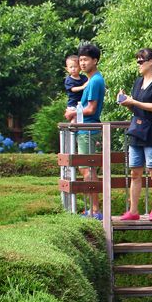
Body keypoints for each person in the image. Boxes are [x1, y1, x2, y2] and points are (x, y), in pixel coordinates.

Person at [117, 48, 152, 222]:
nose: (138, 64)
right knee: (135, 172)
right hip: (137, 130)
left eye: (141, 61)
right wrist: (127, 102)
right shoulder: (137, 82)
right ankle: (133, 211)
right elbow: (136, 107)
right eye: (137, 61)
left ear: (150, 62)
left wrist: (134, 101)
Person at [65, 43, 105, 219]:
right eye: (80, 60)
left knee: (87, 168)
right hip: (85, 129)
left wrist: (72, 112)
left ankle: (95, 211)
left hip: (88, 129)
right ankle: (93, 209)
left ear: (95, 60)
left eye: (85, 60)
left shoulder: (95, 81)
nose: (82, 63)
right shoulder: (91, 80)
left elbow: (91, 109)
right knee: (86, 168)